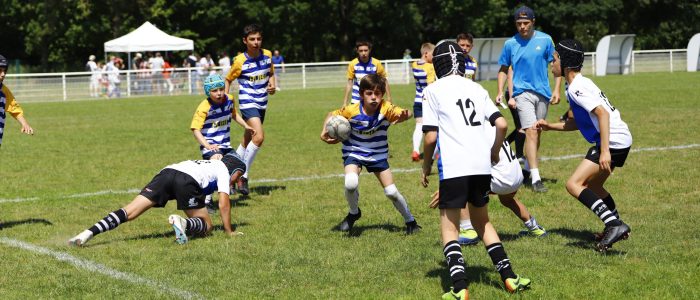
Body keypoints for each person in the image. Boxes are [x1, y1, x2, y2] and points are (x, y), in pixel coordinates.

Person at [420, 41, 531, 298]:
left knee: (450, 229)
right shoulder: (476, 87)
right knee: (484, 223)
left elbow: (429, 138)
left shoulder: (433, 90)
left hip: (455, 167)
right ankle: (510, 278)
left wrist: (426, 166)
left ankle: (460, 288)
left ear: (437, 64)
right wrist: (493, 152)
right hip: (482, 166)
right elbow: (502, 124)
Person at [534, 39, 632, 252]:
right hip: (620, 139)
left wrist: (604, 150)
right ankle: (616, 227)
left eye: (556, 58)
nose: (552, 62)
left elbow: (602, 114)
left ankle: (615, 225)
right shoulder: (575, 85)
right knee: (594, 187)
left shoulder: (577, 87)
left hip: (612, 140)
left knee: (574, 184)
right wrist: (550, 126)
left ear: (566, 62)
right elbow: (579, 122)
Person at [68, 153, 246, 246]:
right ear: (233, 168)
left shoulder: (210, 164)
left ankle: (86, 234)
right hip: (186, 180)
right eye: (239, 175)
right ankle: (182, 223)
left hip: (166, 172)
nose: (238, 180)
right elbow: (224, 204)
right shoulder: (223, 169)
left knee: (130, 212)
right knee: (206, 226)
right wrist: (228, 231)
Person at [320, 74, 420, 235]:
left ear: (382, 94)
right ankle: (354, 213)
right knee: (350, 183)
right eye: (369, 93)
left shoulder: (387, 109)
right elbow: (332, 114)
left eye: (378, 93)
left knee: (391, 192)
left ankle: (411, 222)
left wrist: (404, 116)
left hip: (378, 154)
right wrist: (323, 133)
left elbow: (407, 113)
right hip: (354, 150)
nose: (374, 97)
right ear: (361, 94)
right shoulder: (351, 110)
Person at [429, 120, 548, 246]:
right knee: (508, 200)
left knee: (464, 188)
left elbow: (468, 166)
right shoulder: (490, 125)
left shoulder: (476, 132)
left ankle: (468, 231)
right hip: (516, 175)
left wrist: (449, 187)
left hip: (502, 179)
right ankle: (536, 228)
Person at [495, 5, 562, 193]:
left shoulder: (546, 39)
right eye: (519, 23)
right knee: (531, 131)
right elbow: (503, 68)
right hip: (521, 93)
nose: (522, 27)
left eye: (525, 23)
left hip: (543, 93)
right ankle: (536, 179)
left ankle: (526, 170)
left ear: (533, 22)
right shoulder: (510, 44)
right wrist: (500, 91)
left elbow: (556, 65)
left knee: (537, 132)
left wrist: (557, 89)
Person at [224, 24, 276, 196]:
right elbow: (228, 79)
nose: (256, 42)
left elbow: (271, 73)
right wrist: (226, 99)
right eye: (252, 39)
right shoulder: (239, 61)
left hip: (262, 103)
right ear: (245, 41)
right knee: (259, 137)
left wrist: (273, 85)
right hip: (248, 103)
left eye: (259, 39)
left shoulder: (267, 55)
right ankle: (243, 175)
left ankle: (227, 175)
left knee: (247, 141)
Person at [191, 74, 255, 213]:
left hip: (225, 145)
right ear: (208, 92)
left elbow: (234, 114)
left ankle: (211, 190)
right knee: (217, 166)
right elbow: (195, 130)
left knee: (240, 167)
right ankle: (206, 202)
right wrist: (207, 146)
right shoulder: (204, 107)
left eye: (221, 89)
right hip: (211, 146)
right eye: (214, 91)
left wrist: (246, 126)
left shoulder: (230, 99)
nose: (219, 93)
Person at [342, 40, 391, 106]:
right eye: (361, 51)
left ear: (369, 50)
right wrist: (345, 102)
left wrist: (389, 98)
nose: (363, 53)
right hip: (356, 99)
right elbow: (349, 83)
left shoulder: (376, 63)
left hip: (373, 98)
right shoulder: (353, 64)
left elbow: (384, 81)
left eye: (365, 50)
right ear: (357, 51)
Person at [0, 54, 34, 147]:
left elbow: (14, 108)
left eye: (4, 71)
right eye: (0, 71)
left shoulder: (4, 91)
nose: (3, 74)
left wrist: (25, 124)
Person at [410, 43, 435, 162]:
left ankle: (415, 150)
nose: (433, 57)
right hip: (428, 101)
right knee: (433, 128)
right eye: (432, 54)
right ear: (426, 54)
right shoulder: (430, 67)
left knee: (419, 126)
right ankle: (435, 153)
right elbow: (430, 87)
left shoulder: (414, 64)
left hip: (417, 100)